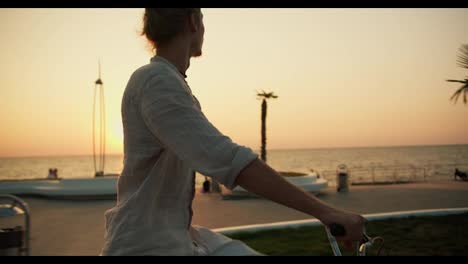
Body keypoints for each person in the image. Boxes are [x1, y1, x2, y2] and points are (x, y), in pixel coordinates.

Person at [101, 8, 365, 256]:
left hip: (178, 237)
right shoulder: (156, 81)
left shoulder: (165, 81)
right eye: (202, 17)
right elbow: (226, 158)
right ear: (193, 22)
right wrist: (326, 212)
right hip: (145, 245)